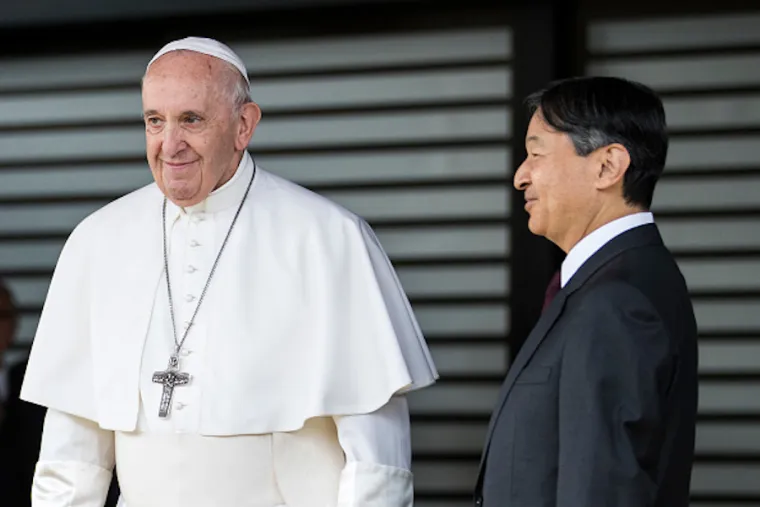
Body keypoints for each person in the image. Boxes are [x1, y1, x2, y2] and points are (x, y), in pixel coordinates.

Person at [20, 36, 438, 507]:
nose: (169, 144)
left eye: (191, 120)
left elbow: (377, 460)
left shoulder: (328, 238)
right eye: (154, 121)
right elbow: (71, 456)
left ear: (244, 125)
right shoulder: (97, 241)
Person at [474, 76, 698, 507]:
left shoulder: (617, 300)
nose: (520, 176)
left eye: (536, 153)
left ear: (607, 167)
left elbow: (603, 488)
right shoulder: (612, 281)